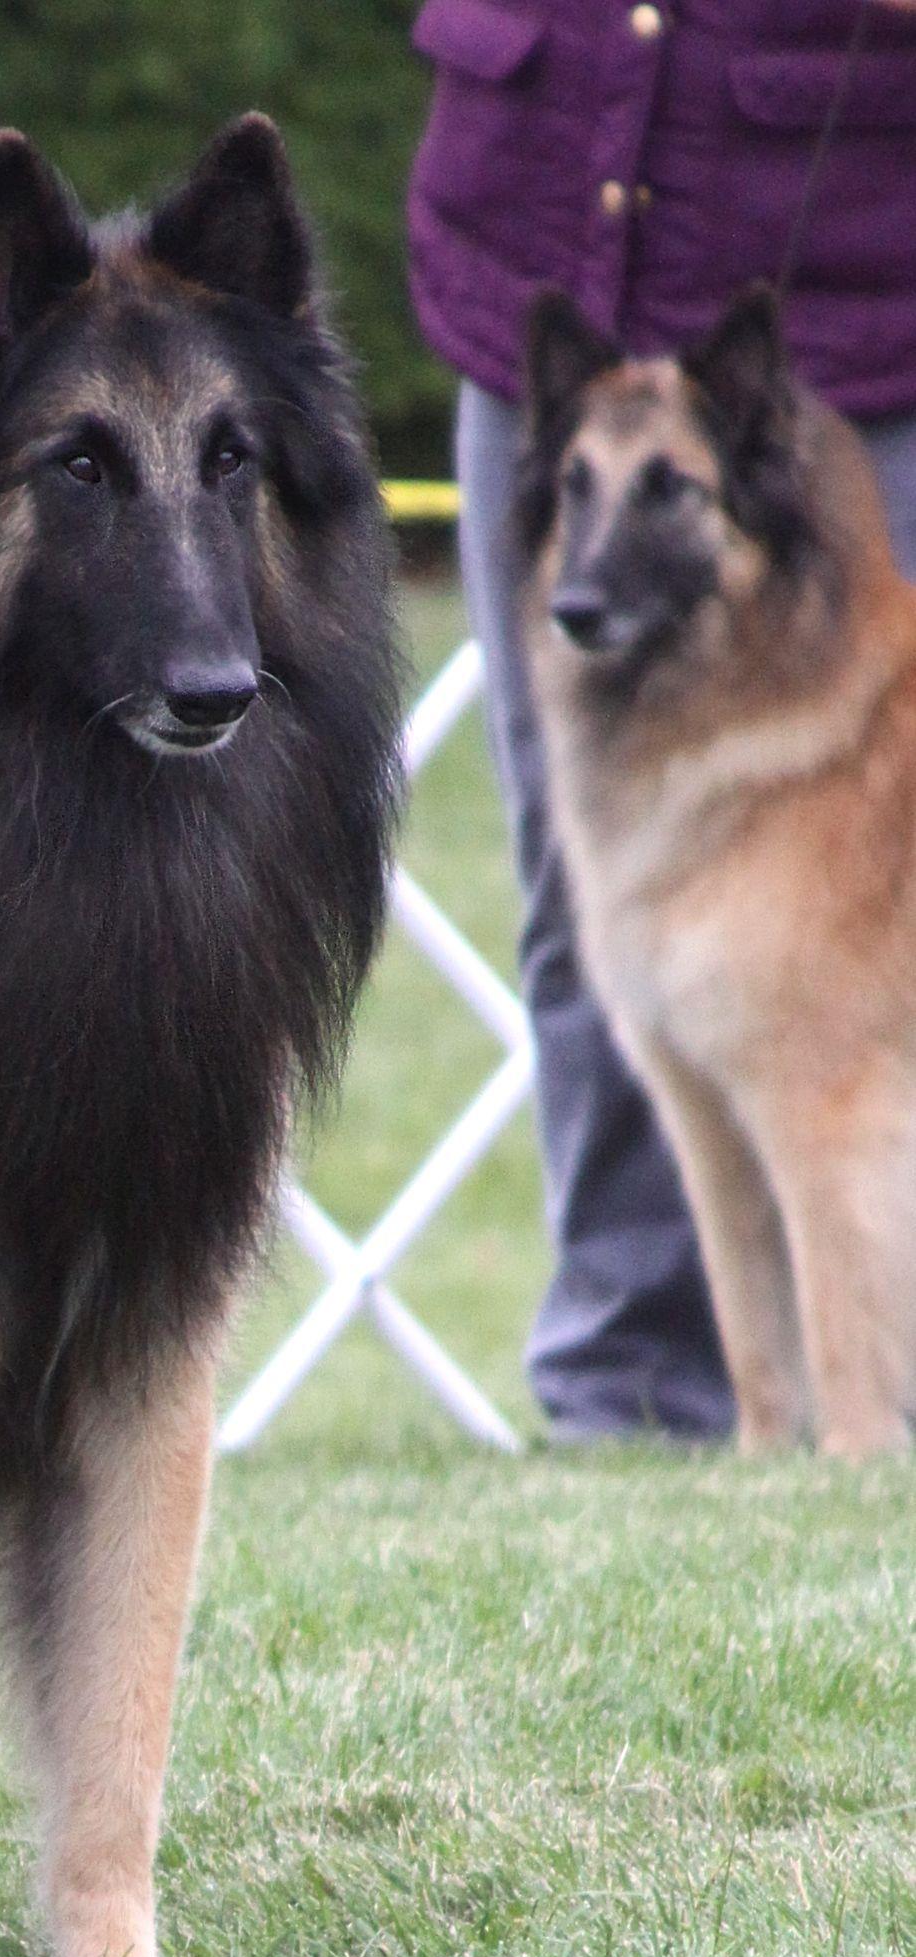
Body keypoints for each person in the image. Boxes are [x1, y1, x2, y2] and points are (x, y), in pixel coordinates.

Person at [406, 0, 916, 1441]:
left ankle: (860, 1429)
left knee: (827, 1042)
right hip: (535, 236)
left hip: (852, 298)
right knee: (584, 934)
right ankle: (640, 1395)